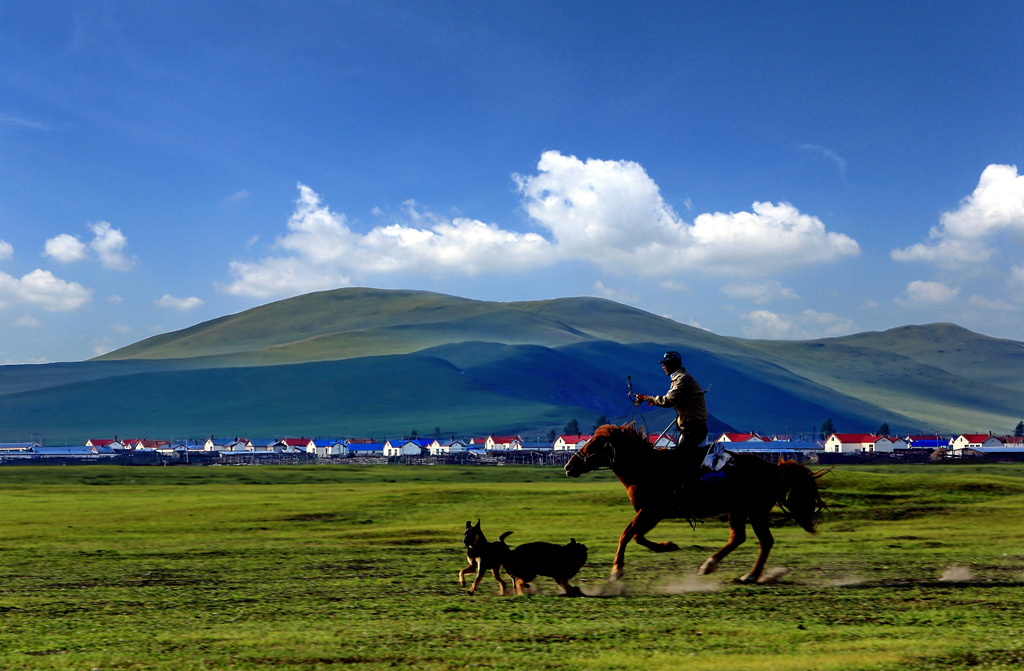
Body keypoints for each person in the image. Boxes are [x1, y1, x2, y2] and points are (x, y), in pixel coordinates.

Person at [635, 351, 709, 479]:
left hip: (693, 429)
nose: (663, 367)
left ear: (672, 364)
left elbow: (668, 401)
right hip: (691, 427)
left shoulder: (682, 379)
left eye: (665, 364)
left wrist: (647, 398)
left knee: (680, 460)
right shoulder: (680, 378)